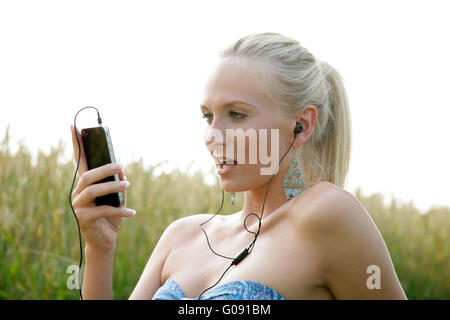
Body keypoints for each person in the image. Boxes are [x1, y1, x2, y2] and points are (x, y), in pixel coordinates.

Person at [70, 32, 407, 300]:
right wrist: (100, 248)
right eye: (208, 116)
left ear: (301, 124)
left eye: (237, 115)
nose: (213, 135)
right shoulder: (181, 235)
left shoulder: (326, 216)